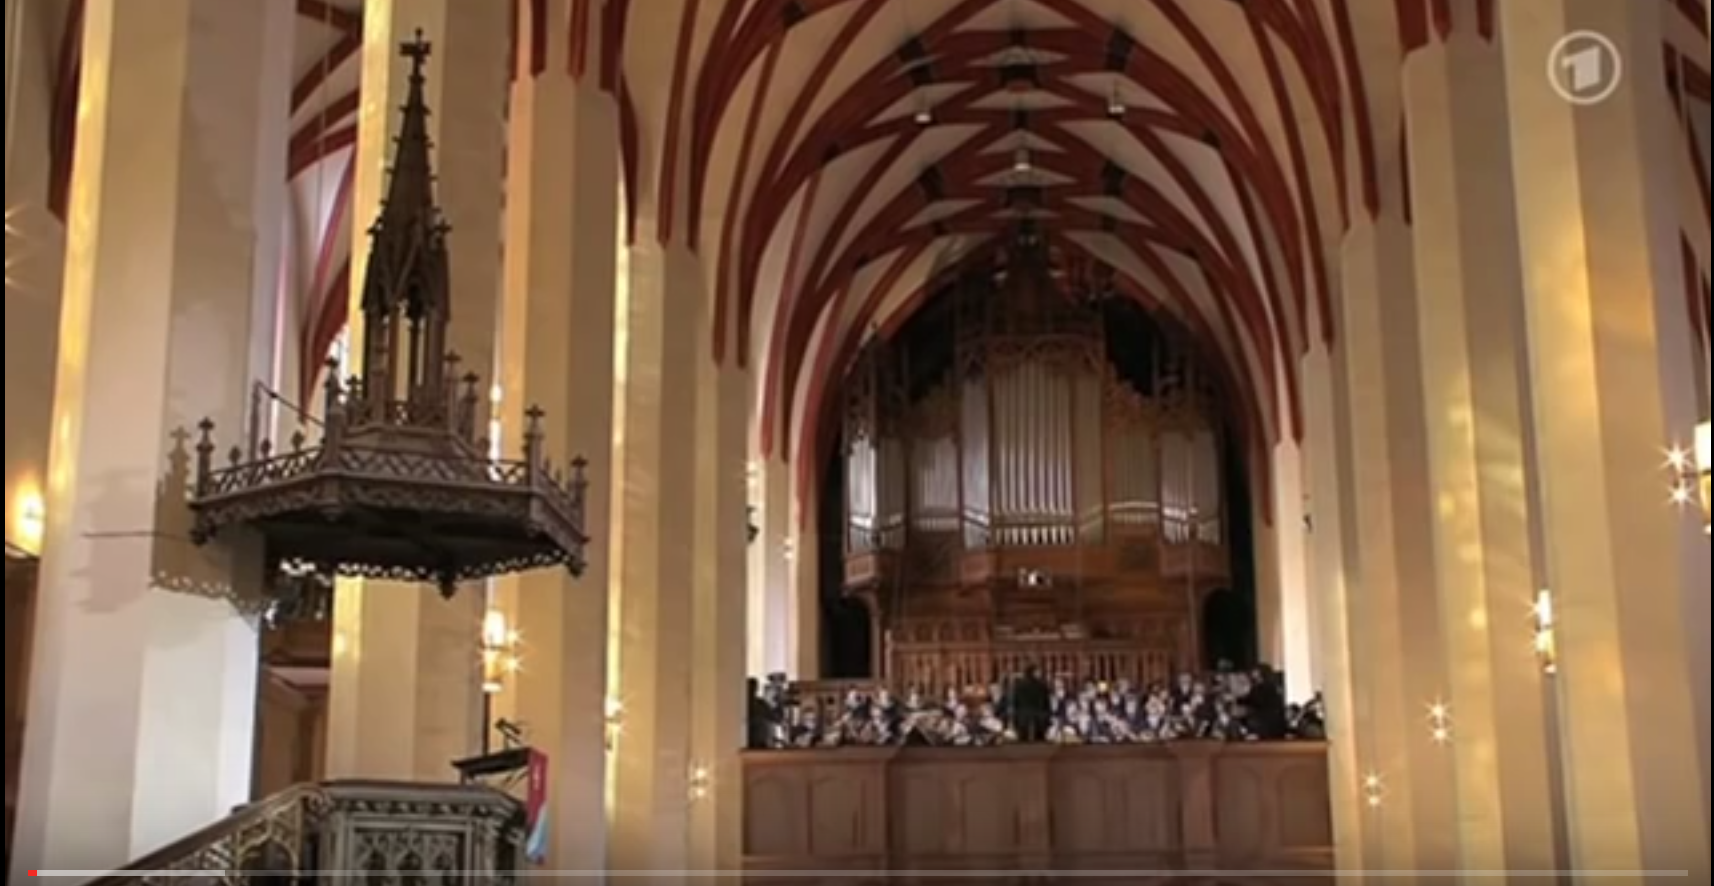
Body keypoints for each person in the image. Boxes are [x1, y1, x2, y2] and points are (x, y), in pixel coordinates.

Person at [1009, 664, 1052, 742]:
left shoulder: (1019, 685)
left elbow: (1015, 702)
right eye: (1038, 672)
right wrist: (1047, 714)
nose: (1040, 673)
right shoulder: (1041, 685)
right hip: (1039, 715)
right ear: (1033, 672)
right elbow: (1046, 702)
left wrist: (1016, 715)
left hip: (1023, 715)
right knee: (1040, 739)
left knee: (1022, 739)